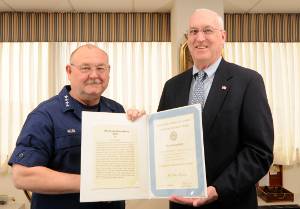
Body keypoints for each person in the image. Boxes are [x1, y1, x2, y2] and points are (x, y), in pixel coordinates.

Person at [158, 9, 274, 209]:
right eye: (193, 31)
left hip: (230, 201)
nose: (199, 38)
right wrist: (139, 123)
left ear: (223, 36)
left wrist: (217, 189)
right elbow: (161, 142)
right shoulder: (172, 86)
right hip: (181, 203)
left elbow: (259, 152)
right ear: (188, 38)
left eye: (207, 30)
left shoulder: (248, 81)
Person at [8, 44, 144, 209]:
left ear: (109, 71)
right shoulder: (45, 115)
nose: (94, 75)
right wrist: (91, 183)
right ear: (69, 71)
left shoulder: (117, 110)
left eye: (101, 68)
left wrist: (140, 128)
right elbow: (22, 176)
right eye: (85, 68)